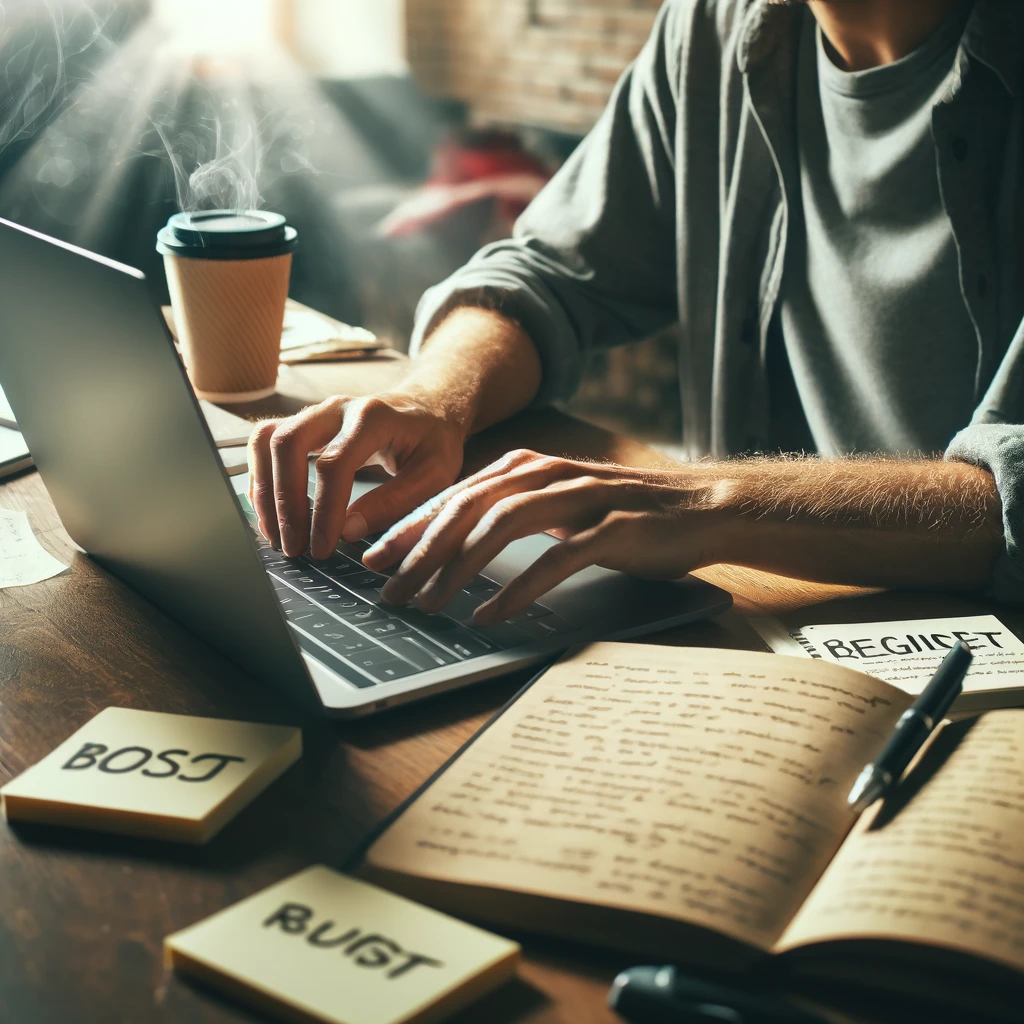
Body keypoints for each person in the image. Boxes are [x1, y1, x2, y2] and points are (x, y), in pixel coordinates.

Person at [249, 0, 1024, 626]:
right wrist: (435, 398)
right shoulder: (713, 28)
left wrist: (701, 499)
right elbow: (547, 272)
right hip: (744, 616)